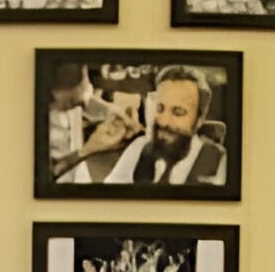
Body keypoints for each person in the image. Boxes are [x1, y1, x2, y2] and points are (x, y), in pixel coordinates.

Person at [96, 69, 230, 189]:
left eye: (178, 112)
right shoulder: (139, 147)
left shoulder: (219, 162)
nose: (164, 121)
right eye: (160, 108)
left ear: (199, 118)